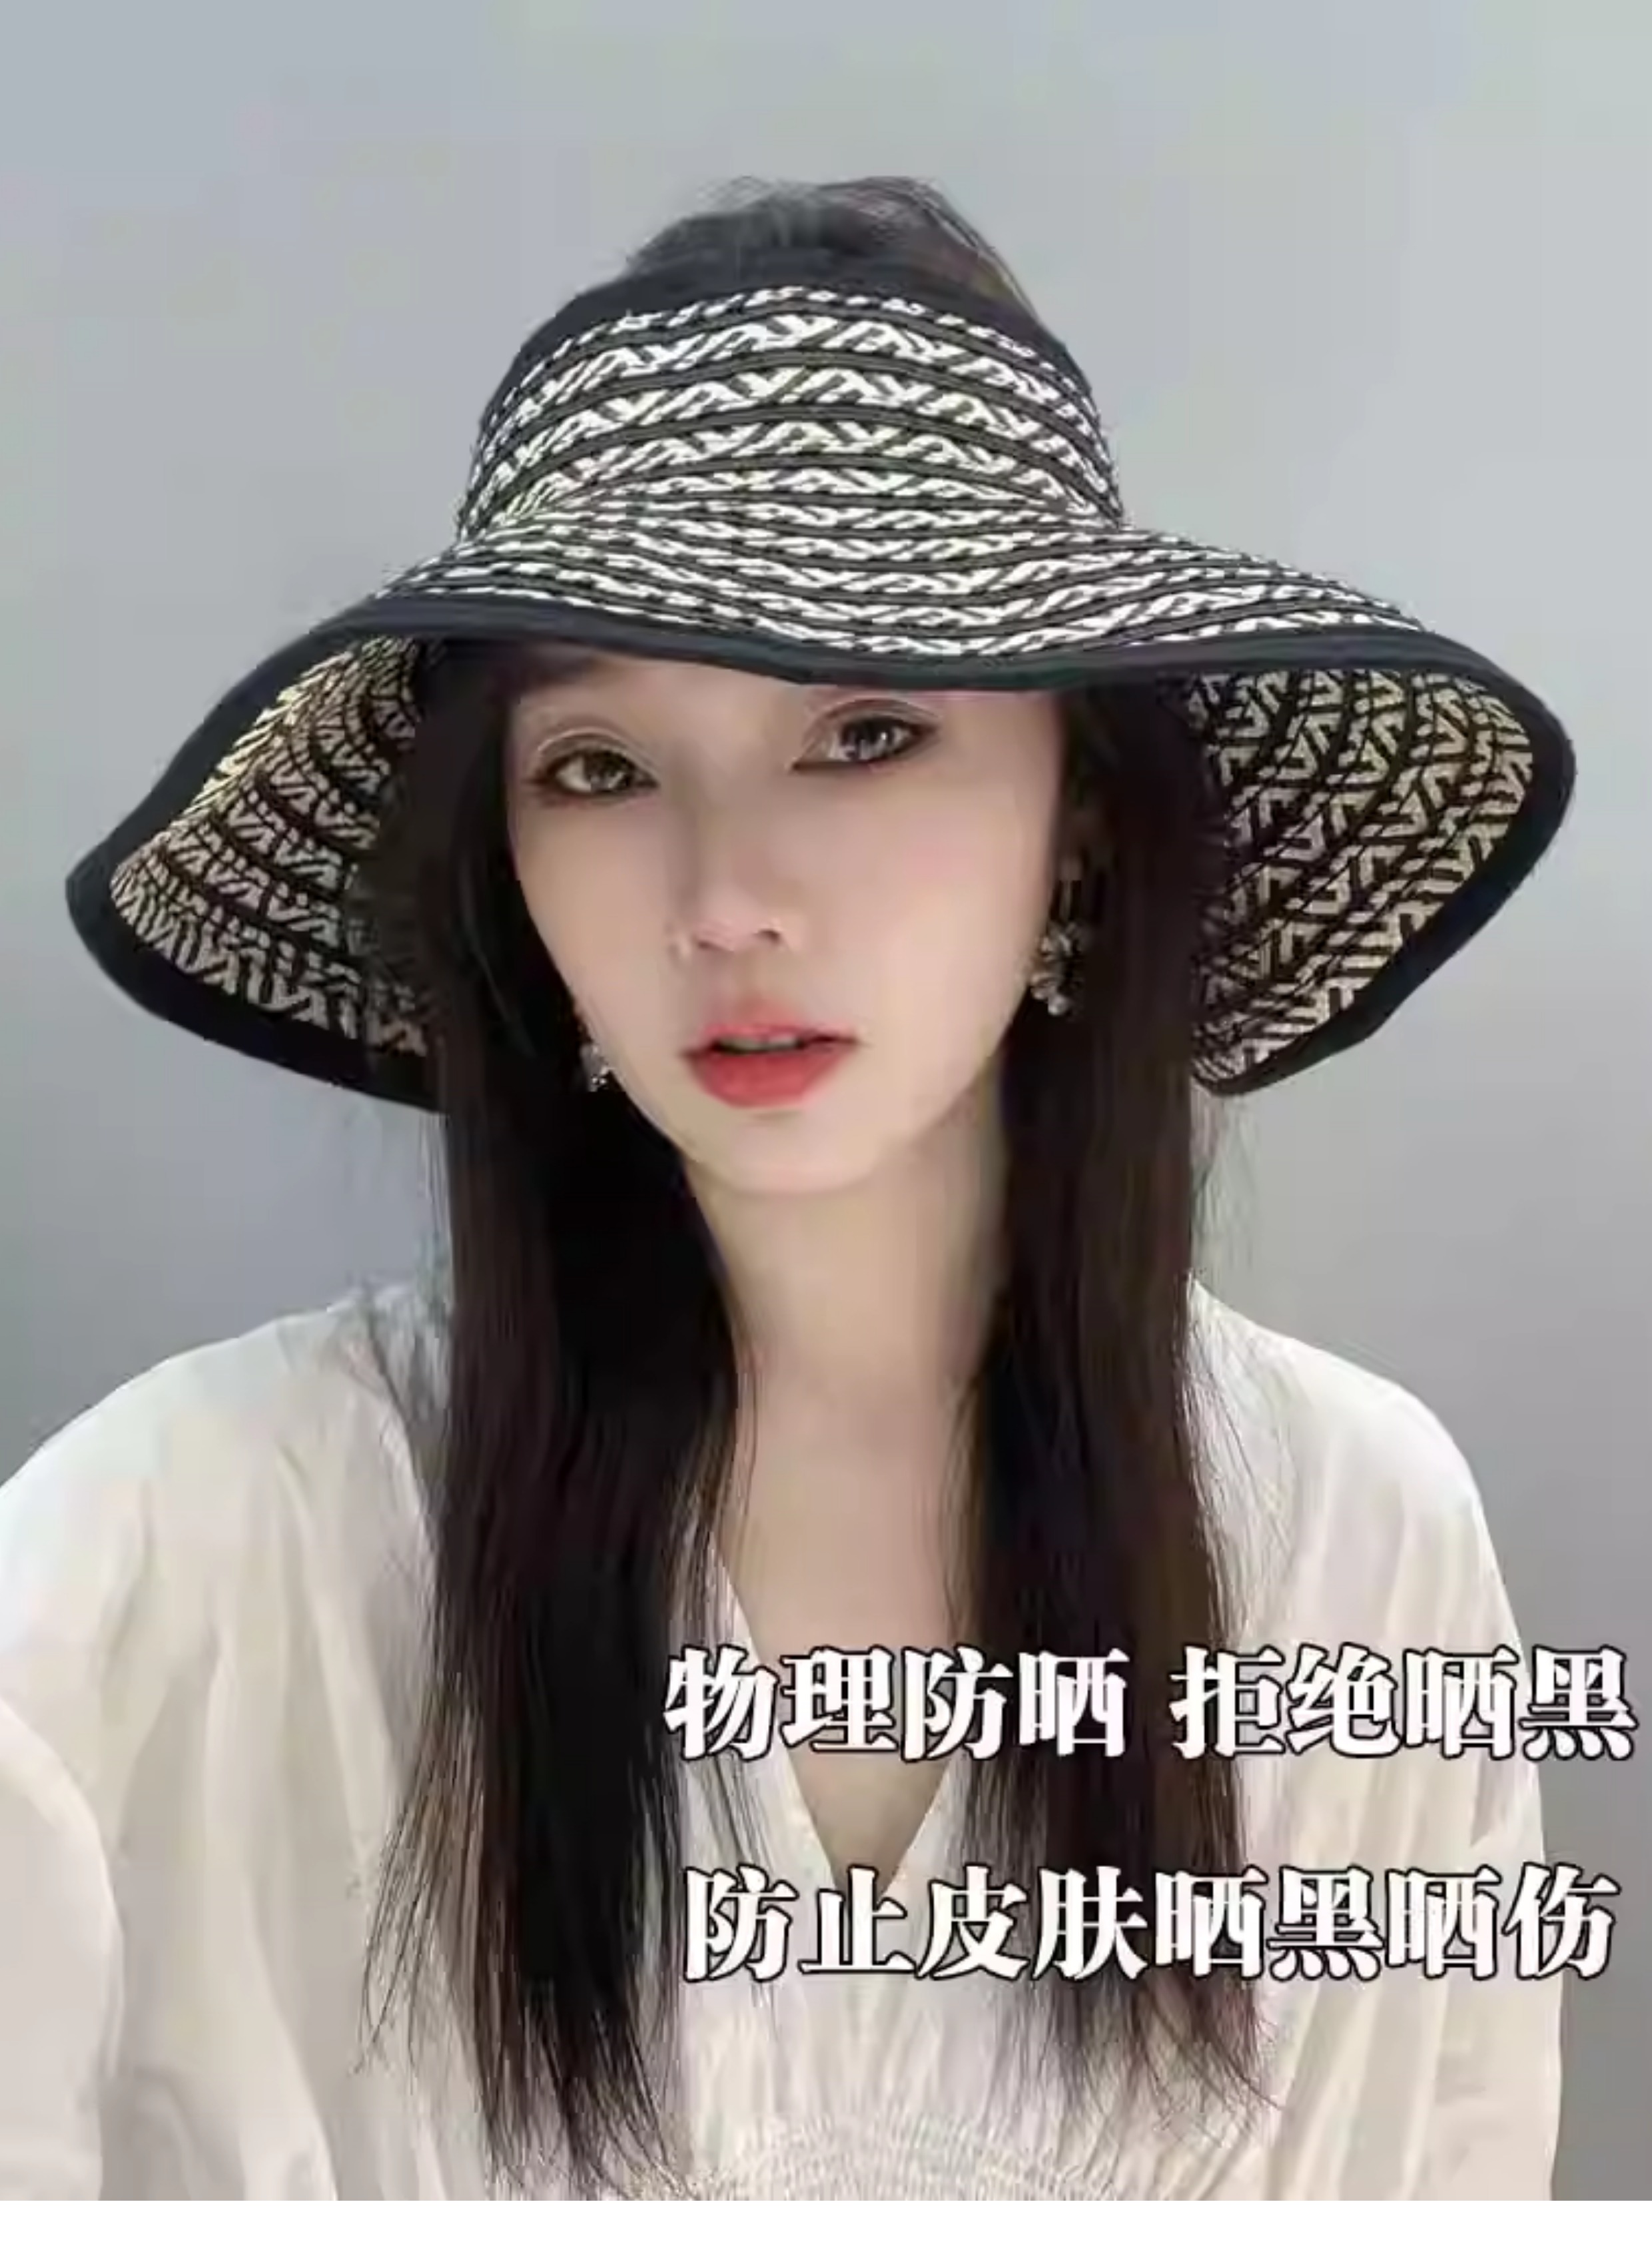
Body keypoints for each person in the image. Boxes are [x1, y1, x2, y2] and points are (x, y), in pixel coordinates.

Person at [1, 177, 1577, 2200]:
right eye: (597, 768)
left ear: (1081, 821)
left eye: (866, 731)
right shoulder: (192, 1552)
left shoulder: (1354, 1537)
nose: (726, 898)